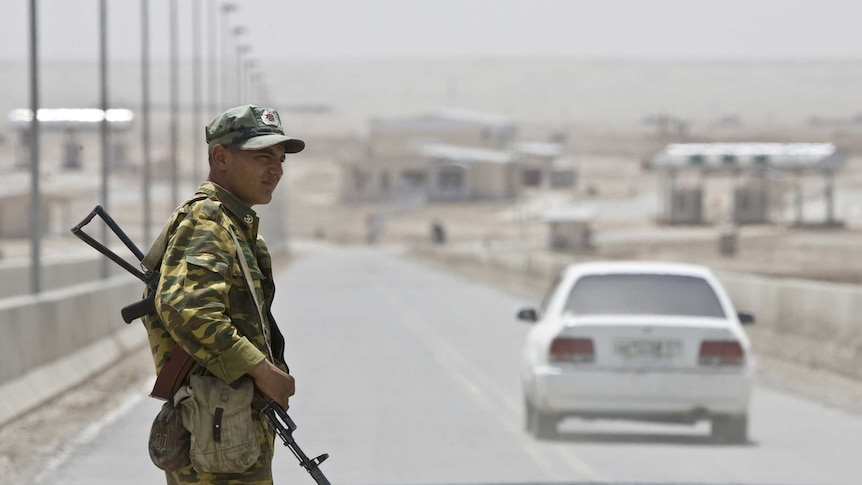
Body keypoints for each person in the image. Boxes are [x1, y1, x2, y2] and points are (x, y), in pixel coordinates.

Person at [142, 104, 304, 484]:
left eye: (280, 159)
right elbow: (187, 307)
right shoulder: (207, 220)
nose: (276, 169)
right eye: (263, 156)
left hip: (228, 430)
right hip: (214, 433)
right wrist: (262, 371)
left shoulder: (233, 225)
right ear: (220, 157)